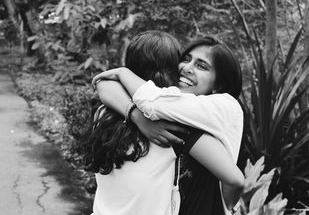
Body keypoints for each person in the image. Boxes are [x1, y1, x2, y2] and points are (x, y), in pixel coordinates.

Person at [85, 31, 244, 215]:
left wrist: (123, 75)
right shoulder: (174, 128)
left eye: (201, 65)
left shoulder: (104, 113)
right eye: (185, 59)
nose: (187, 68)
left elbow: (107, 85)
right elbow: (235, 180)